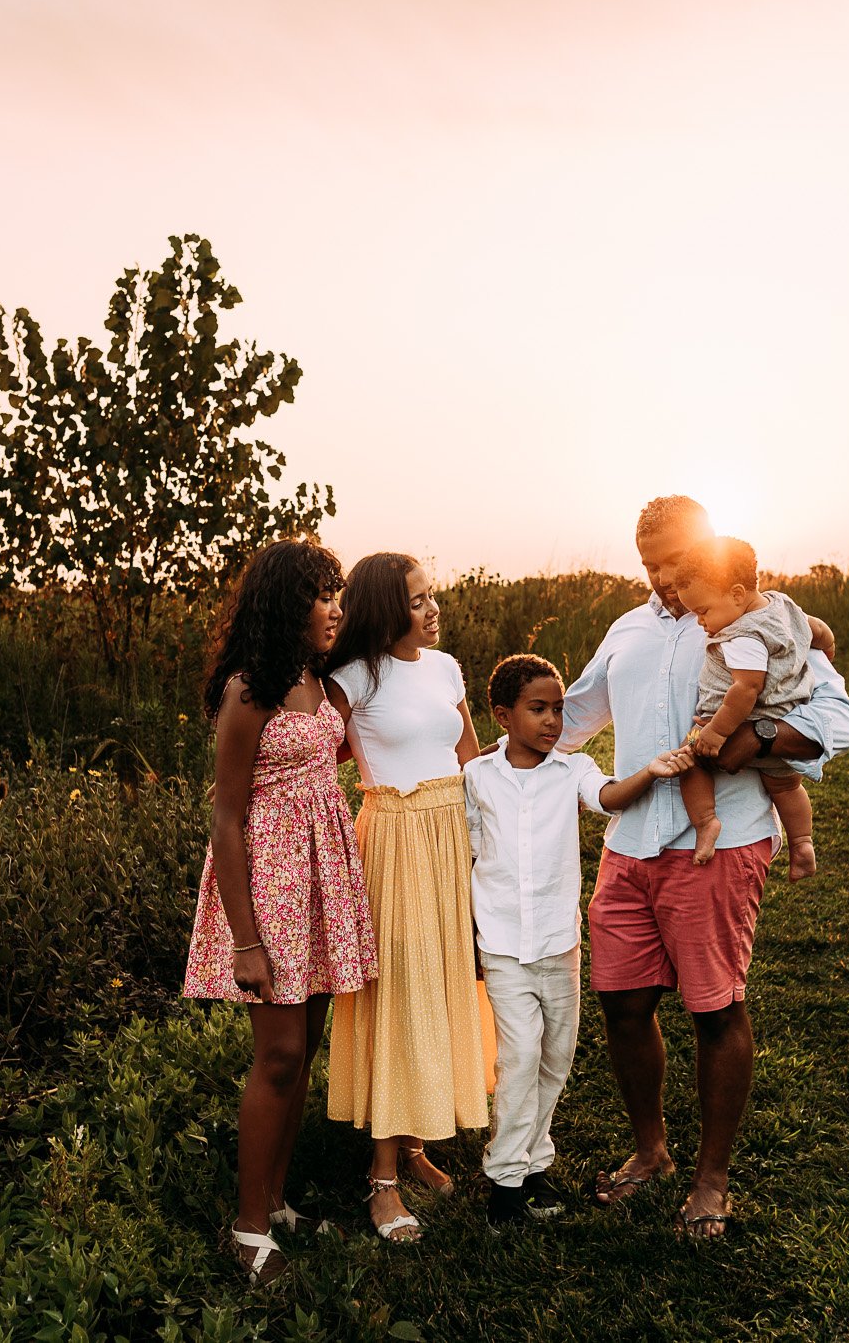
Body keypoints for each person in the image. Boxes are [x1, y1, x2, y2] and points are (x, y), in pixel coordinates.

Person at [558, 495, 849, 1237]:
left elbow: (841, 719)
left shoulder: (771, 621)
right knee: (623, 1003)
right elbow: (566, 719)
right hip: (631, 844)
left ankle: (712, 1177)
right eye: (649, 566)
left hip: (722, 844)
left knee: (715, 1008)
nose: (662, 579)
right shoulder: (625, 631)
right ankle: (651, 1151)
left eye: (672, 562)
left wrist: (754, 738)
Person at [181, 539, 377, 1284]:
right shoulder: (249, 689)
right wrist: (245, 940)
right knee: (280, 1055)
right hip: (269, 889)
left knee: (306, 1051)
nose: (335, 607)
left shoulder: (322, 686)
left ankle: (277, 1197)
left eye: (338, 593)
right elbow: (226, 818)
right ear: (283, 603)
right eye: (321, 594)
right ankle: (247, 1227)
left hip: (322, 881)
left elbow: (344, 763)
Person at [464, 653, 693, 1229]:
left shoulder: (572, 770)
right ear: (502, 715)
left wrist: (654, 771)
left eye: (559, 710)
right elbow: (465, 853)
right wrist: (466, 933)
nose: (551, 721)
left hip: (557, 944)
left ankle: (534, 1164)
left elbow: (610, 797)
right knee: (518, 1059)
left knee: (554, 1059)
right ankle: (505, 1183)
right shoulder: (477, 777)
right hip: (504, 944)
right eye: (537, 709)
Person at [323, 552, 487, 1244]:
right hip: (393, 837)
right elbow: (310, 752)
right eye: (418, 600)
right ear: (388, 608)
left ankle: (416, 1139)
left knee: (444, 981)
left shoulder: (445, 668)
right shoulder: (352, 678)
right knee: (399, 991)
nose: (433, 608)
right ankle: (382, 1177)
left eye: (433, 595)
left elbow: (472, 757)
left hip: (451, 835)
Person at [668, 535, 831, 880]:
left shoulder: (742, 635)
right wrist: (827, 645)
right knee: (787, 787)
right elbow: (815, 628)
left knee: (688, 761)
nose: (700, 621)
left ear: (738, 594)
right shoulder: (783, 605)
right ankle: (802, 844)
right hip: (782, 726)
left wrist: (715, 732)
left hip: (733, 724)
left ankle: (706, 823)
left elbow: (746, 689)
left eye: (703, 610)